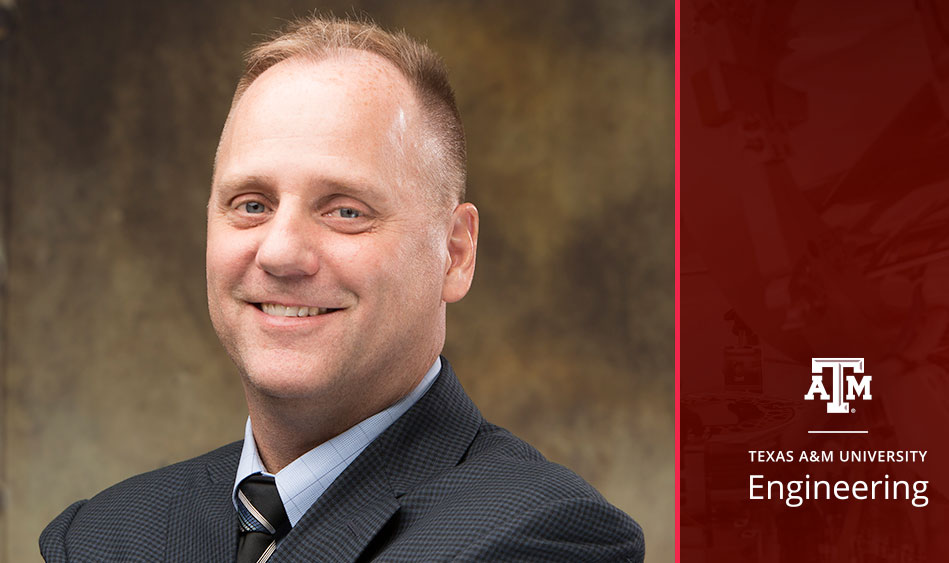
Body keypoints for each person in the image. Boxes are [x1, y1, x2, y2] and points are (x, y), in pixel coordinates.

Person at [39, 15, 644, 562]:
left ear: (455, 254)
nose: (279, 253)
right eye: (251, 204)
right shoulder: (100, 537)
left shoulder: (544, 535)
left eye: (345, 211)